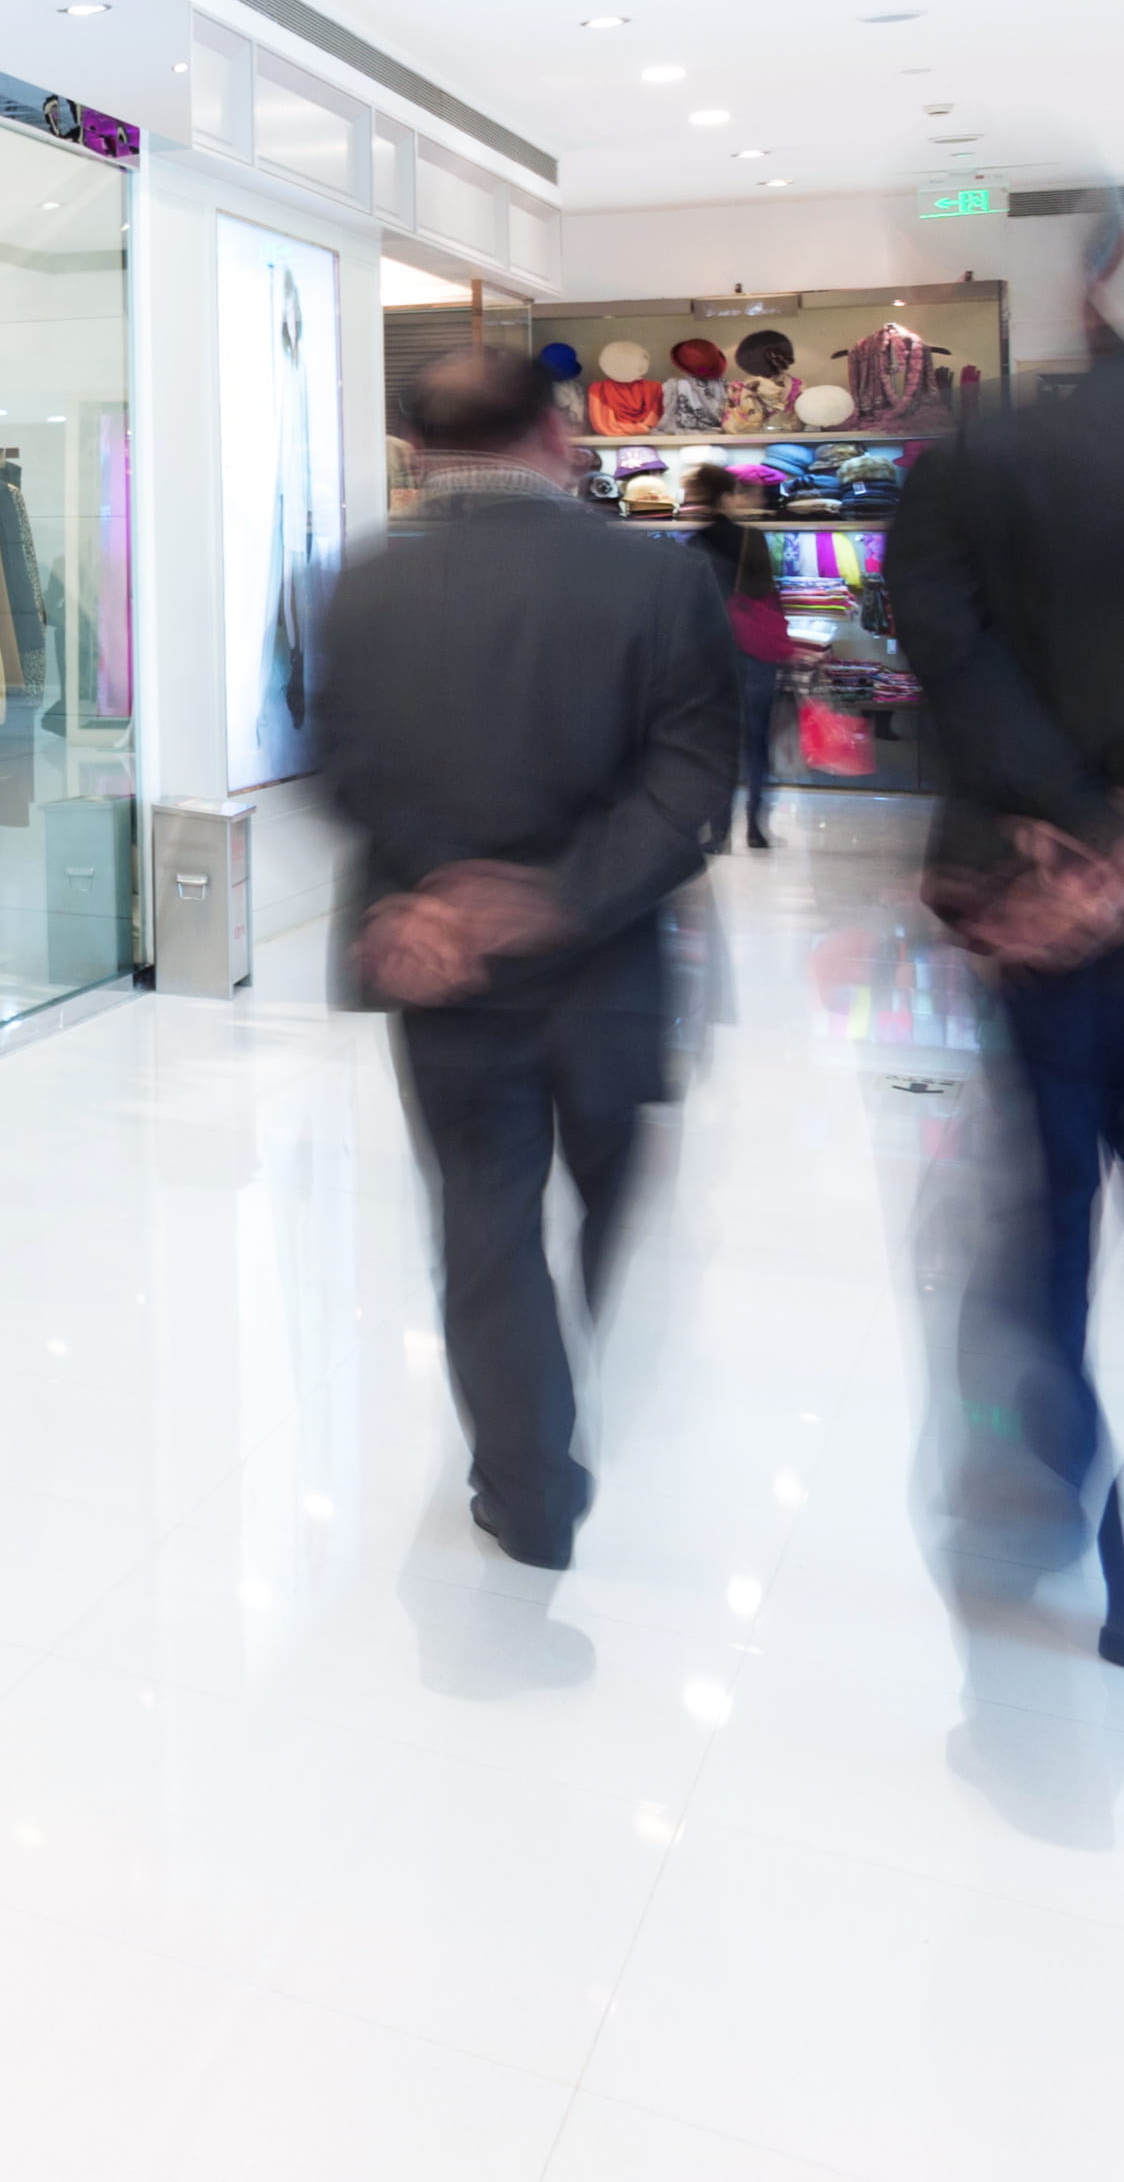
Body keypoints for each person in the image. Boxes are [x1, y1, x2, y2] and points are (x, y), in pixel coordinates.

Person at [317, 345, 732, 1569]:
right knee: (608, 1194)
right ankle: (567, 1381)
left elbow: (340, 765)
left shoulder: (359, 585)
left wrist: (431, 897)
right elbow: (690, 784)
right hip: (605, 962)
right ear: (554, 434)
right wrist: (553, 897)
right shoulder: (654, 579)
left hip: (432, 962)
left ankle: (525, 1482)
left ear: (415, 451)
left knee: (484, 1218)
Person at [883, 214, 1124, 1662]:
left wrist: (1070, 829)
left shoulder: (977, 463)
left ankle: (1037, 1500)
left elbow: (946, 653)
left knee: (1038, 1226)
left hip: (1038, 911)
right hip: (1053, 897)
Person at [683, 463, 791, 851]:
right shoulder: (752, 539)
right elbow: (766, 592)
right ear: (728, 495)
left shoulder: (691, 546)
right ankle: (756, 827)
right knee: (757, 741)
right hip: (754, 653)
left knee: (718, 744)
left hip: (711, 656)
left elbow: (688, 608)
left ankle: (718, 831)